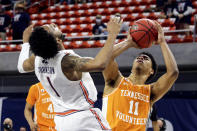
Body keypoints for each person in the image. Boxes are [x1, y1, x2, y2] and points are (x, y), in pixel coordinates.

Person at [17, 17, 122, 130]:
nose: (53, 23)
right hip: (83, 118)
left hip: (61, 121)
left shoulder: (36, 59)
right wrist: (113, 34)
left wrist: (25, 43)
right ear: (57, 40)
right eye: (52, 27)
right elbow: (100, 64)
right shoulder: (66, 61)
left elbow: (21, 67)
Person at [101, 21, 179, 131]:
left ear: (151, 71)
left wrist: (162, 42)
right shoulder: (116, 80)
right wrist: (128, 42)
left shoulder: (150, 92)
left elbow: (173, 73)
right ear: (132, 65)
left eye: (146, 58)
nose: (141, 58)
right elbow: (105, 57)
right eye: (139, 57)